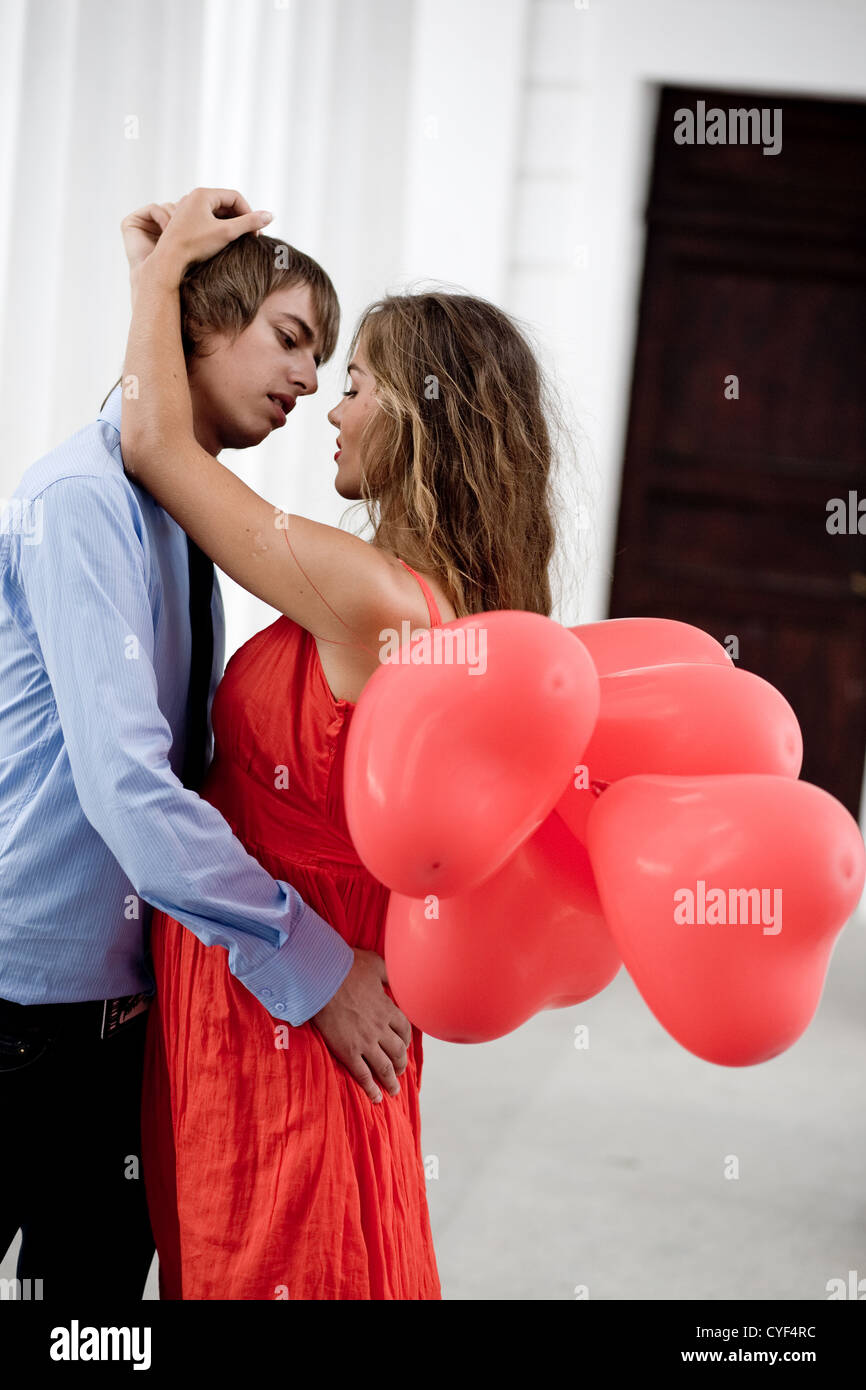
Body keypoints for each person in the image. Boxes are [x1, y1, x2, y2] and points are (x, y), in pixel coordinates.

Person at [121, 187, 559, 1301]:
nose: (328, 405)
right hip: (287, 975)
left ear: (416, 415)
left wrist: (161, 273)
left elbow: (157, 445)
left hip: (290, 990)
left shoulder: (373, 597)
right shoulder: (428, 595)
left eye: (353, 381)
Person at [0, 190, 407, 1302]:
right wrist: (310, 963)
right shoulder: (84, 502)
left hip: (120, 1006)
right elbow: (132, 788)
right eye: (288, 339)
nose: (309, 382)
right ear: (195, 325)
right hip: (26, 1004)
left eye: (324, 360)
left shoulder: (176, 512)